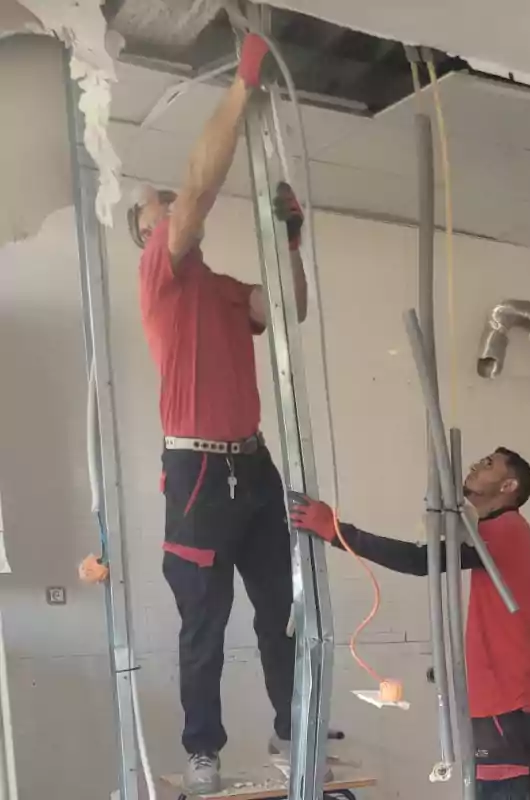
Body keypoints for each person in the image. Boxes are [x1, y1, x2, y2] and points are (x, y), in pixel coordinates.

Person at [131, 34, 315, 794]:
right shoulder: (161, 277)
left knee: (283, 612)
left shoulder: (228, 288)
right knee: (204, 627)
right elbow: (198, 192)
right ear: (148, 234)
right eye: (155, 206)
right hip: (198, 470)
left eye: (164, 202)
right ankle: (202, 752)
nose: (168, 204)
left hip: (254, 465)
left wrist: (291, 241)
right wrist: (241, 87)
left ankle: (290, 730)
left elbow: (289, 306)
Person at [289, 447, 530, 800]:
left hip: (500, 701)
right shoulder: (509, 532)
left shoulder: (505, 530)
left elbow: (418, 560)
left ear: (508, 485)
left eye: (489, 464)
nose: (475, 464)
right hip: (510, 697)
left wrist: (335, 531)